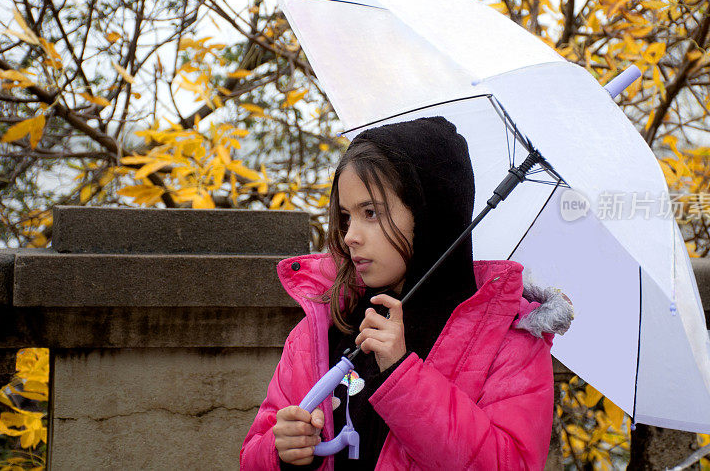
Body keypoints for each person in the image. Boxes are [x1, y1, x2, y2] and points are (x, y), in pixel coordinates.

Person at [240, 117, 572, 470]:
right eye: (346, 217)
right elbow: (254, 454)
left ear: (429, 214)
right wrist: (283, 454)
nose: (350, 234)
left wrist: (401, 373)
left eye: (370, 213)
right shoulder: (320, 329)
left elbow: (510, 464)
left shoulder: (508, 341)